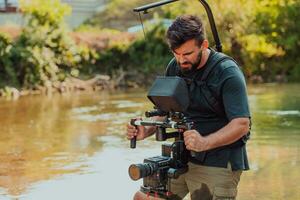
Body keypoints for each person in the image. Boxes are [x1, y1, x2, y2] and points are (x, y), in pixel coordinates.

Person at [127, 15, 251, 200]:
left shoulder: (227, 73)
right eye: (176, 54)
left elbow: (242, 124)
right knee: (142, 198)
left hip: (219, 159)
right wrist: (146, 129)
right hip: (182, 155)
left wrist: (204, 142)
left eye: (187, 54)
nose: (181, 60)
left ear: (204, 45)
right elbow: (165, 111)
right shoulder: (175, 66)